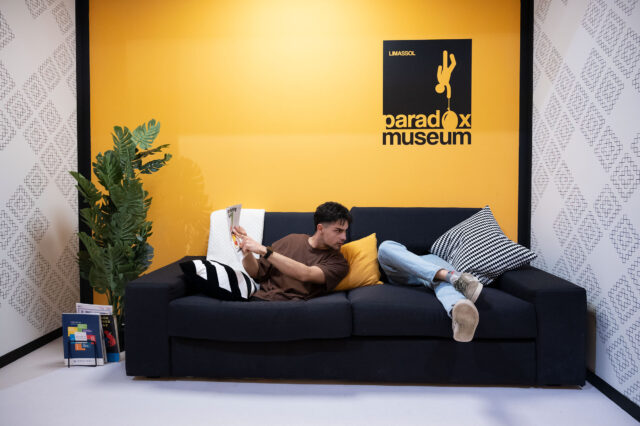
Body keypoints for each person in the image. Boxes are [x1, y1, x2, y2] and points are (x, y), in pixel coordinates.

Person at [232, 201, 351, 301]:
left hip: (290, 306)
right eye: (338, 231)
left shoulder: (338, 263)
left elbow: (306, 274)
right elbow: (256, 272)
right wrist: (246, 250)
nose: (344, 237)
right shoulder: (291, 240)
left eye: (345, 231)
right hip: (260, 299)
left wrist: (264, 251)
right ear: (320, 228)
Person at [377, 240, 482, 343]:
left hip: (432, 261)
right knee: (385, 247)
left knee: (443, 279)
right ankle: (451, 276)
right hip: (403, 264)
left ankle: (459, 309)